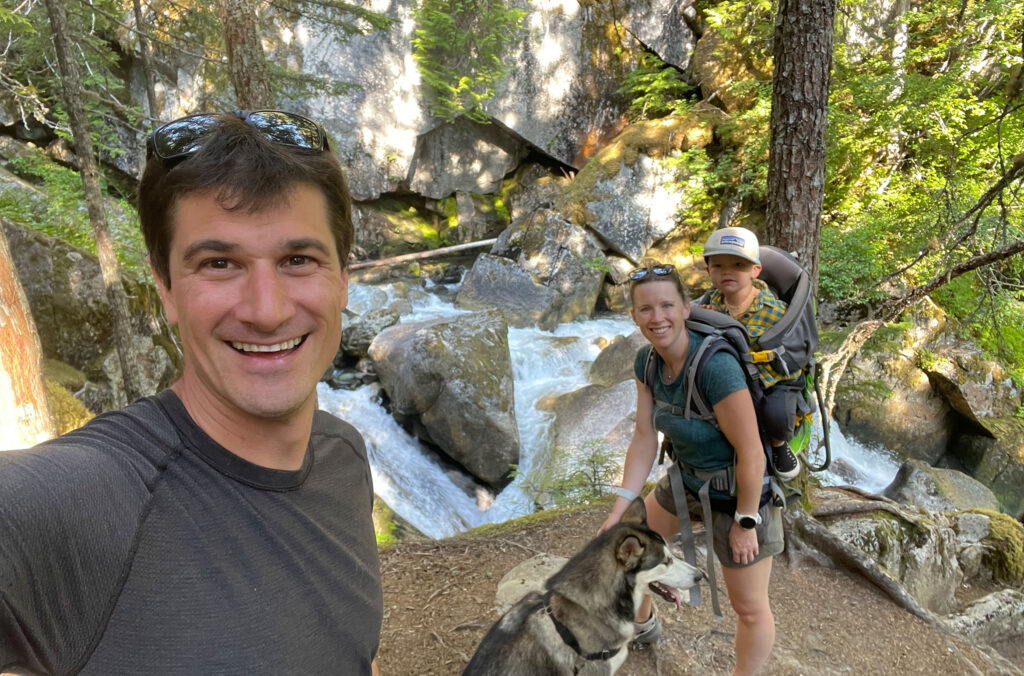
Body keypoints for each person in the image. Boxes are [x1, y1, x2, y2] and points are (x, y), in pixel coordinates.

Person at [0, 111, 382, 675]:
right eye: (219, 263)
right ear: (166, 288)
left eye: (298, 260)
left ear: (344, 278)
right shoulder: (82, 500)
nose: (267, 309)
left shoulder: (341, 458)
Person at [599, 263, 781, 676]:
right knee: (635, 542)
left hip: (741, 491)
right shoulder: (647, 363)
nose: (657, 317)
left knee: (749, 607)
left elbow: (751, 452)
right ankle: (643, 624)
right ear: (634, 315)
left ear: (686, 308)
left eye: (666, 305)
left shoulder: (716, 368)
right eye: (646, 309)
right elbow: (644, 437)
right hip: (688, 479)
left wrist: (746, 521)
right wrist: (620, 506)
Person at [702, 227, 803, 481]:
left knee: (775, 416)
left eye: (738, 264)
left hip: (772, 378)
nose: (727, 271)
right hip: (731, 376)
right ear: (708, 271)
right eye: (719, 266)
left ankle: (779, 445)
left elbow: (791, 349)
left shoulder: (774, 310)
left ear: (755, 270)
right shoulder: (710, 303)